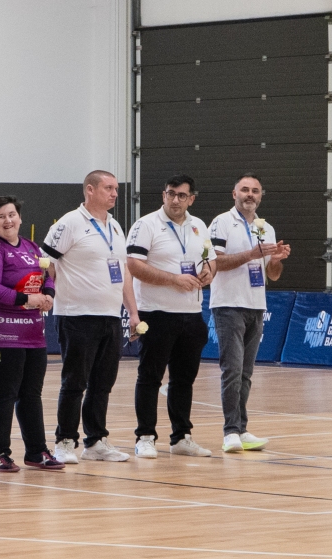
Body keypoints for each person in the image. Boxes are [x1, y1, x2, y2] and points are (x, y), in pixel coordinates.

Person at [43, 170, 140, 463]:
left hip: (110, 316)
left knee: (102, 383)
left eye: (116, 189)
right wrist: (57, 290)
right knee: (75, 382)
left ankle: (96, 440)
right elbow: (45, 262)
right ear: (90, 190)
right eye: (108, 188)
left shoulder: (116, 226)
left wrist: (132, 312)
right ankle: (64, 441)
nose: (115, 193)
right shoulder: (70, 222)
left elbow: (124, 272)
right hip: (76, 316)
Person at [125, 174, 216, 458]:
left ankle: (181, 437)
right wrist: (173, 279)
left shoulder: (199, 225)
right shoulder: (146, 225)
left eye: (181, 195)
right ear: (163, 195)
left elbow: (211, 260)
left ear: (191, 199)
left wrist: (209, 272)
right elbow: (134, 265)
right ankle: (145, 436)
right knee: (150, 377)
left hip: (191, 314)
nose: (175, 200)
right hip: (156, 313)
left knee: (183, 380)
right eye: (171, 194)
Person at [0, 196, 62, 472]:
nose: (8, 220)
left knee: (31, 394)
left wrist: (48, 295)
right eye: (1, 216)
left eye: (12, 214)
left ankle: (37, 451)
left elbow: (47, 276)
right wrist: (27, 298)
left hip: (33, 334)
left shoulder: (31, 247)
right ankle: (0, 454)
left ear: (20, 218)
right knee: (3, 393)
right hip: (1, 333)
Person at [208, 174, 291, 453]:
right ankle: (230, 431)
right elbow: (215, 262)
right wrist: (251, 254)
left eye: (255, 191)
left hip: (256, 306)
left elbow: (273, 275)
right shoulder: (221, 222)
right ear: (234, 194)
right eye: (245, 190)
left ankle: (242, 429)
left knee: (245, 373)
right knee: (231, 370)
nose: (250, 195)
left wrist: (275, 260)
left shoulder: (266, 228)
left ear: (261, 195)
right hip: (228, 305)